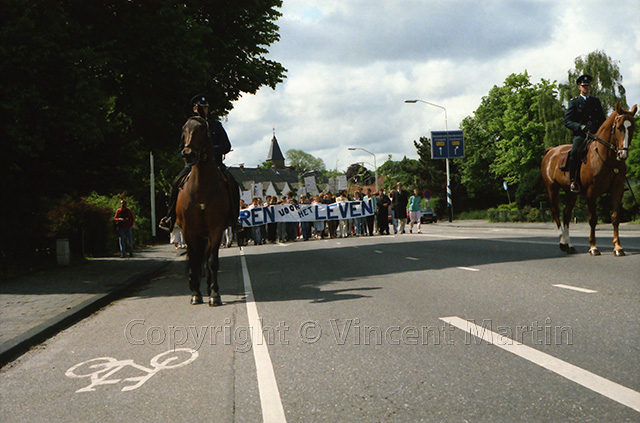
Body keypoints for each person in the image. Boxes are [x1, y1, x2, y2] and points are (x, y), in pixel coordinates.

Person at [159, 94, 240, 231]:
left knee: (232, 183)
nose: (201, 109)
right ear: (194, 109)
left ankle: (234, 219)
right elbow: (181, 149)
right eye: (198, 107)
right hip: (192, 165)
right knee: (176, 183)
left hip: (214, 164)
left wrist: (209, 151)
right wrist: (186, 154)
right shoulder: (189, 126)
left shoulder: (215, 126)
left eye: (204, 107)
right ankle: (170, 218)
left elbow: (226, 145)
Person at [563, 74, 606, 193]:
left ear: (590, 87)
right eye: (583, 86)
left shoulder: (595, 101)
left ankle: (616, 180)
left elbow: (602, 119)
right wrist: (580, 127)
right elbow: (567, 121)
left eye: (587, 85)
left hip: (596, 134)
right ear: (579, 87)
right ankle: (573, 181)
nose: (585, 88)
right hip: (581, 135)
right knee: (574, 152)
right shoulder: (574, 102)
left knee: (611, 149)